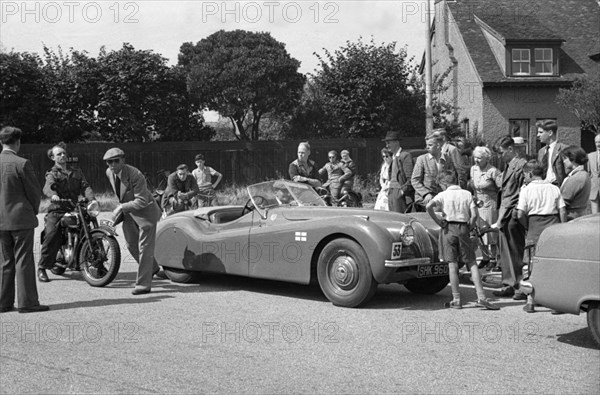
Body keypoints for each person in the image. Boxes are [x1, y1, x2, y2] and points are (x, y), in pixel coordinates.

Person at [426, 170, 499, 310]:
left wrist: (437, 220)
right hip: (463, 228)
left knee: (452, 264)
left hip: (448, 228)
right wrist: (469, 227)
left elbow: (429, 206)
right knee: (471, 262)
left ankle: (456, 299)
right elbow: (474, 215)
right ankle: (482, 297)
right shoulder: (467, 194)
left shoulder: (442, 195)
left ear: (444, 183)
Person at [0, 126, 49, 313]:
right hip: (21, 219)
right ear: (18, 142)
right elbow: (34, 193)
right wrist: (33, 211)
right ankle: (27, 302)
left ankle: (3, 302)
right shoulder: (22, 163)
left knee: (4, 261)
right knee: (24, 260)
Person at [104, 148, 162, 295]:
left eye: (116, 160)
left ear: (123, 160)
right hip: (129, 211)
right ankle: (154, 268)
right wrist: (122, 209)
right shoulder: (109, 173)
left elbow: (142, 201)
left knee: (145, 248)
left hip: (146, 212)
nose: (112, 164)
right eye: (109, 162)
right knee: (131, 244)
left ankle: (143, 284)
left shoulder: (135, 174)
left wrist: (122, 207)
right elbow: (122, 194)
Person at [37, 142, 95, 283]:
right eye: (59, 154)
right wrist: (53, 195)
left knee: (88, 229)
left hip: (75, 208)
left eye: (64, 153)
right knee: (51, 234)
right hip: (58, 209)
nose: (63, 155)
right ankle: (42, 267)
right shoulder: (52, 173)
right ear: (53, 158)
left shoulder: (76, 172)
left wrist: (92, 200)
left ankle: (96, 261)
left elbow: (85, 186)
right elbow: (48, 187)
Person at [516, 160, 567, 313]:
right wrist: (562, 228)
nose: (524, 178)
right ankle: (556, 303)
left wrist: (527, 226)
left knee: (532, 265)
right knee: (554, 265)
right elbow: (562, 211)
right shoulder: (554, 188)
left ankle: (531, 301)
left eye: (525, 175)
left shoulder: (526, 190)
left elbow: (520, 214)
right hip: (553, 227)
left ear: (530, 174)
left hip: (534, 227)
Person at [490, 135, 528, 299]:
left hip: (512, 214)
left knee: (515, 251)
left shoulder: (521, 165)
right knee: (505, 252)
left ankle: (519, 285)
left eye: (501, 152)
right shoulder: (509, 165)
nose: (499, 156)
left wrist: (509, 214)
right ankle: (509, 283)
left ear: (511, 149)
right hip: (505, 215)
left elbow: (520, 192)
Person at [470, 146, 502, 270]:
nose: (477, 160)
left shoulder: (493, 171)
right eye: (475, 157)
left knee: (490, 232)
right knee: (479, 231)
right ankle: (485, 257)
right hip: (477, 202)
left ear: (486, 158)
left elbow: (500, 188)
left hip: (490, 203)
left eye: (480, 158)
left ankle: (493, 258)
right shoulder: (473, 169)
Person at [411, 132, 457, 210]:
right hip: (425, 200)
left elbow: (451, 179)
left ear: (438, 145)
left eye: (430, 145)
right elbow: (415, 180)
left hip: (442, 199)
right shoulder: (422, 159)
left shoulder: (447, 159)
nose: (427, 147)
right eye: (426, 145)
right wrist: (426, 194)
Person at [382, 131, 414, 213]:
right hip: (391, 192)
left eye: (389, 143)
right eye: (386, 143)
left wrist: (402, 191)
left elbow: (411, 178)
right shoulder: (393, 157)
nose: (387, 145)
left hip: (399, 193)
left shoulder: (405, 156)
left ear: (396, 142)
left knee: (400, 219)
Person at [560, 146, 591, 220]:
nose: (563, 161)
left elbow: (563, 202)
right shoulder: (584, 174)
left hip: (571, 217)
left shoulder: (576, 178)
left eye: (565, 158)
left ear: (572, 158)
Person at [536, 119, 568, 187]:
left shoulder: (563, 149)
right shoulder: (541, 152)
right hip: (543, 187)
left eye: (541, 132)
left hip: (558, 187)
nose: (538, 135)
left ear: (550, 133)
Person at [587, 134, 600, 214]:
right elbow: (589, 173)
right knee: (594, 216)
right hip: (594, 190)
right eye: (596, 142)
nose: (598, 144)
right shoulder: (590, 156)